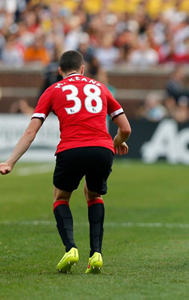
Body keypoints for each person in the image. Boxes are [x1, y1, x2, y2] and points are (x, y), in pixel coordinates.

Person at [0, 50, 131, 274]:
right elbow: (126, 128)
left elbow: (31, 132)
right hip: (102, 149)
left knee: (61, 197)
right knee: (94, 195)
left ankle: (71, 248)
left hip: (71, 150)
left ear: (60, 71)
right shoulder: (100, 88)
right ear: (82, 68)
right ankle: (96, 254)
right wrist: (117, 141)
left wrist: (10, 161)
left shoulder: (52, 90)